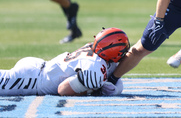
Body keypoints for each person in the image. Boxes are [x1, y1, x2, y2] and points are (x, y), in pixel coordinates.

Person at [0, 27, 130, 96]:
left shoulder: (95, 51)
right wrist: (92, 90)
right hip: (32, 81)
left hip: (37, 68)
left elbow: (113, 75)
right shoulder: (95, 67)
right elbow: (62, 90)